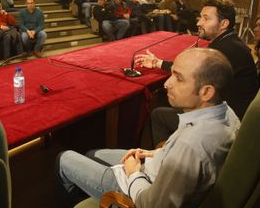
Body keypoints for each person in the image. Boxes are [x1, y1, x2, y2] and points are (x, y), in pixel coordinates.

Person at [57, 48, 240, 207]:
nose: (167, 83)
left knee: (63, 159)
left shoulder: (191, 144)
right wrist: (154, 153)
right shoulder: (225, 111)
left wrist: (133, 173)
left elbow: (151, 205)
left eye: (178, 78)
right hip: (155, 169)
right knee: (93, 154)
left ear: (206, 92)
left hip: (138, 192)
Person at [136, 0, 258, 149]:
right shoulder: (230, 41)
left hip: (226, 123)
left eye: (206, 19)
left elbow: (192, 73)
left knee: (159, 112)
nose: (199, 22)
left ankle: (161, 159)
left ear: (224, 23)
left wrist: (158, 63)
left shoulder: (224, 50)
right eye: (200, 17)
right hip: (229, 112)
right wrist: (157, 62)